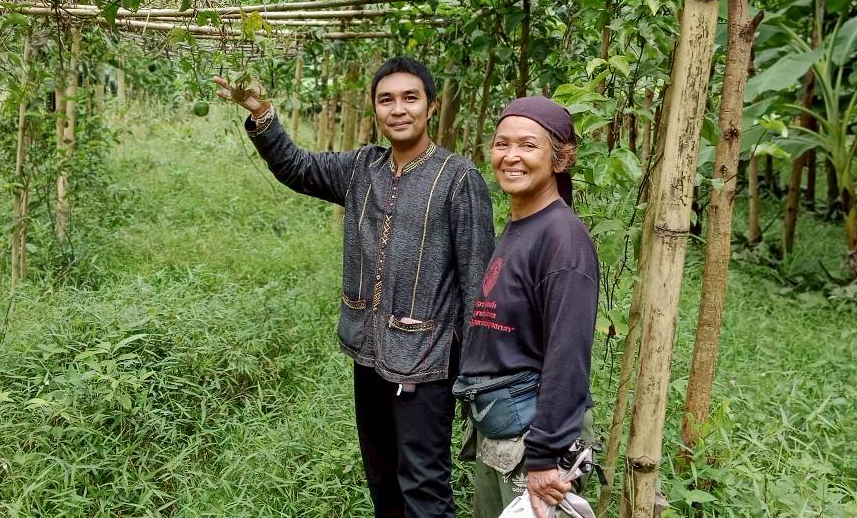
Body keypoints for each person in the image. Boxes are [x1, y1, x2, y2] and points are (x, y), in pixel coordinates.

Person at [212, 58, 494, 518]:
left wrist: (470, 376)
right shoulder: (363, 167)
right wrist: (262, 114)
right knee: (382, 476)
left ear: (431, 106)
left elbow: (476, 281)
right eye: (386, 100)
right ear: (375, 110)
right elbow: (297, 167)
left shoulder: (458, 178)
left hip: (426, 365)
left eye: (410, 98)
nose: (398, 109)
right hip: (369, 355)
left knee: (424, 485)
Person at [454, 96, 599, 518]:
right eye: (502, 144)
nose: (511, 157)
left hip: (533, 448)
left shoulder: (562, 240)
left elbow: (567, 355)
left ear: (560, 159)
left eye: (528, 146)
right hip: (502, 437)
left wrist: (544, 456)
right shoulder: (521, 226)